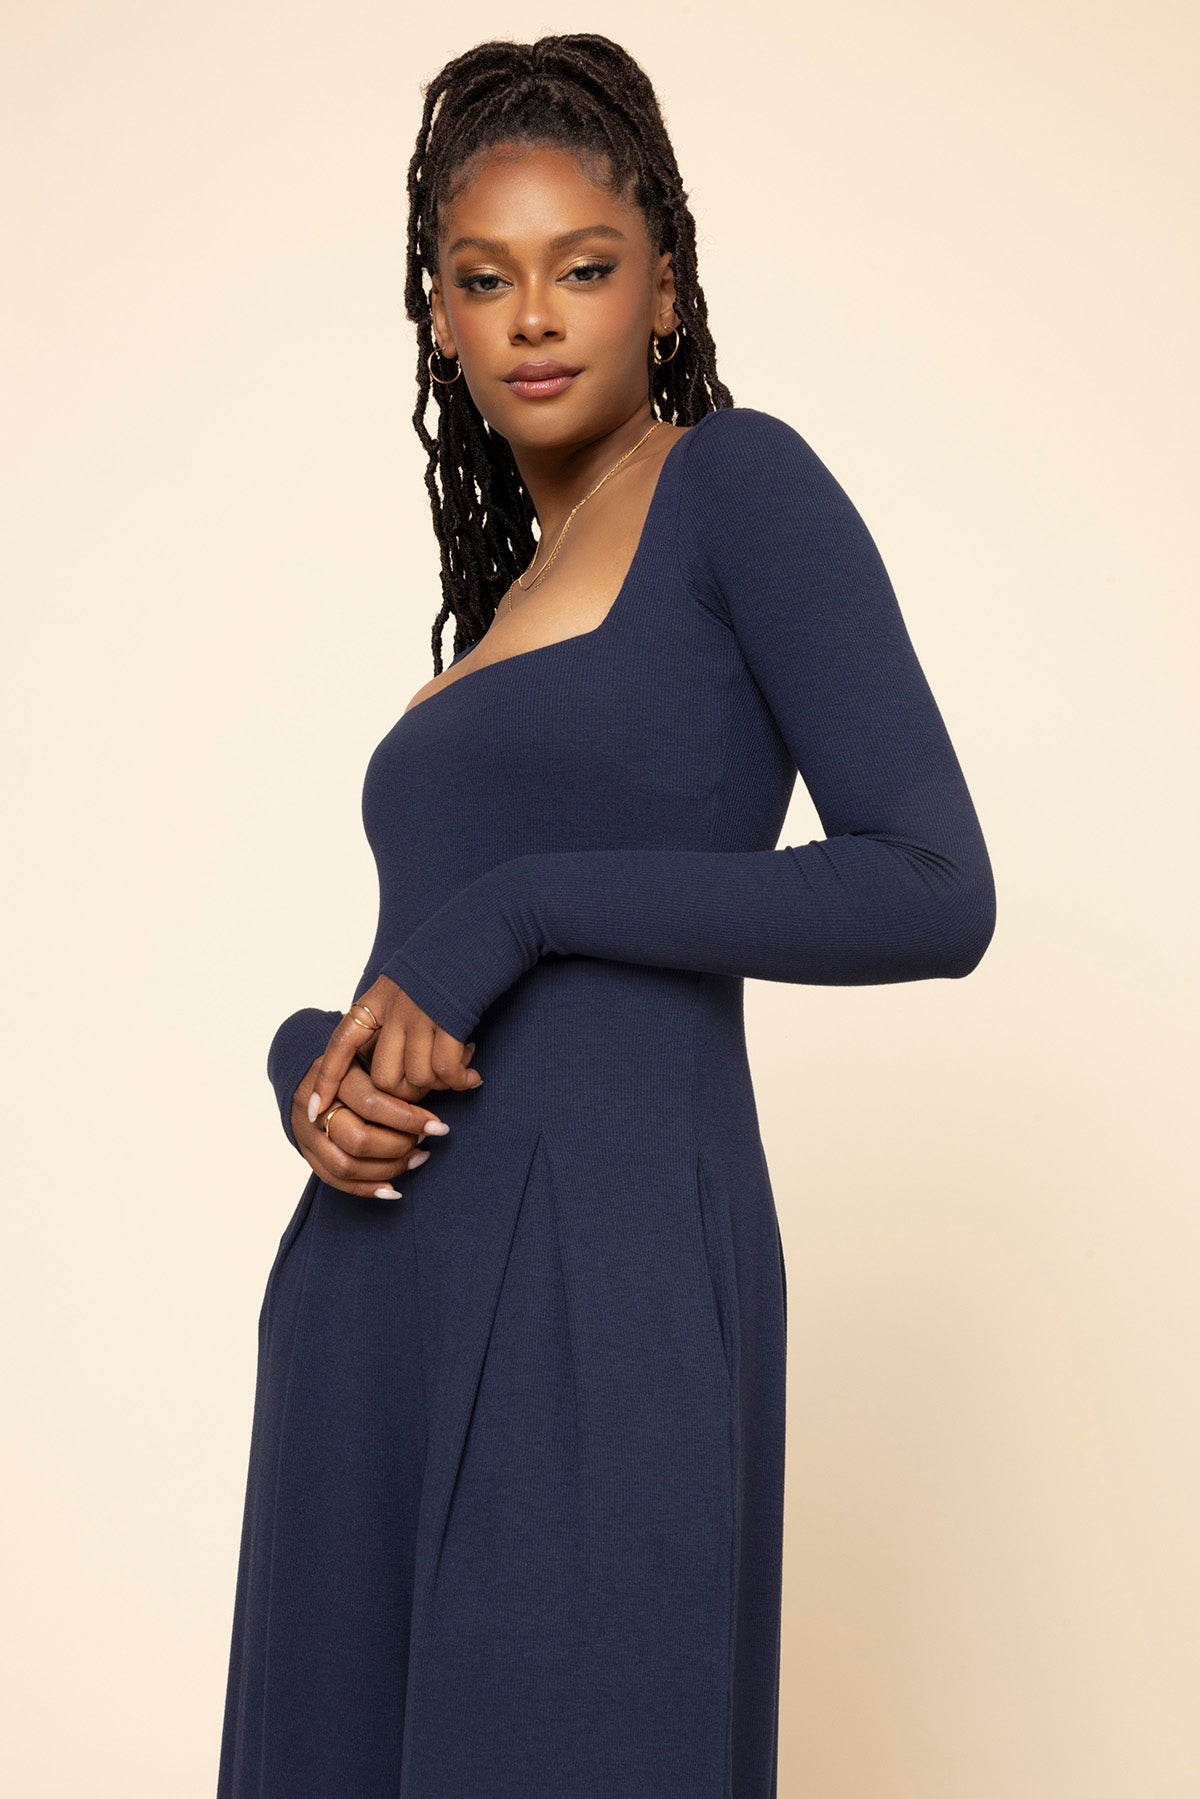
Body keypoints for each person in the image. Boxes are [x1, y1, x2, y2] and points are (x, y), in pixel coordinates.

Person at [217, 32, 996, 1799]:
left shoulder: (735, 487)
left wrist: (530, 908)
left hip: (610, 1260)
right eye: (484, 278)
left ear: (665, 286)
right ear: (438, 317)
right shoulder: (498, 611)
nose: (534, 318)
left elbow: (934, 887)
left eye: (583, 267)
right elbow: (420, 961)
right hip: (378, 1279)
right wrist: (309, 1066)